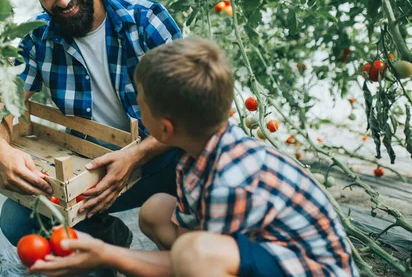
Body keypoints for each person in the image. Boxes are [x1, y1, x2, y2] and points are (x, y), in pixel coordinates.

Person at [29, 37, 359, 277]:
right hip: (270, 251)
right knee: (157, 209)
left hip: (314, 270)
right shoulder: (196, 159)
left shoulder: (230, 179)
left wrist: (106, 255)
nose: (137, 107)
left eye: (140, 102)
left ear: (165, 129)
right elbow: (187, 245)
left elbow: (193, 257)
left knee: (197, 255)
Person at [0, 0, 183, 257]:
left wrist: (134, 156)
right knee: (18, 223)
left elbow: (189, 112)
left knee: (192, 226)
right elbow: (0, 102)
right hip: (91, 167)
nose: (61, 1)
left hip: (165, 157)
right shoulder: (36, 38)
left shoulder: (145, 21)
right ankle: (107, 243)